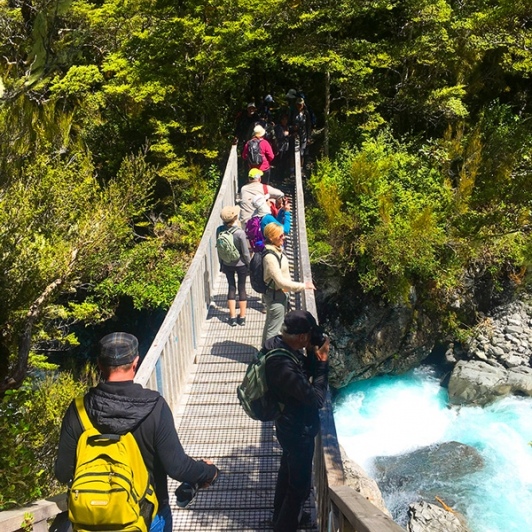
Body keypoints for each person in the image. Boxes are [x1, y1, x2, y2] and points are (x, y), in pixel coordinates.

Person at [55, 333, 219, 532]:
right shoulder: (154, 407)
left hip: (91, 520)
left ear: (99, 364)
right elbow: (178, 467)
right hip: (147, 518)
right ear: (135, 363)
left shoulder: (78, 410)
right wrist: (208, 471)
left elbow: (63, 473)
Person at [264, 310, 330, 532]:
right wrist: (322, 363)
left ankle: (279, 517)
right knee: (299, 488)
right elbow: (317, 399)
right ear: (302, 337)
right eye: (310, 335)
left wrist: (312, 355)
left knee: (287, 471)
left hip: (286, 425)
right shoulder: (282, 364)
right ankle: (284, 526)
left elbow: (303, 374)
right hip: (297, 430)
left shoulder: (277, 345)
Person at [261, 223, 315, 344]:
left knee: (271, 323)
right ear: (271, 237)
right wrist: (303, 286)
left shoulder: (275, 250)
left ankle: (264, 350)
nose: (283, 237)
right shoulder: (270, 257)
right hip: (276, 296)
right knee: (274, 329)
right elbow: (280, 281)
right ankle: (269, 356)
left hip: (275, 294)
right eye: (280, 236)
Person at [216, 205, 251, 326]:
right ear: (235, 217)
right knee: (242, 288)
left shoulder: (219, 230)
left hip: (227, 263)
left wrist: (221, 264)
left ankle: (232, 317)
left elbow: (219, 250)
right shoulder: (240, 233)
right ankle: (242, 317)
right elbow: (246, 253)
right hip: (241, 264)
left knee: (231, 287)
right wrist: (249, 265)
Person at [289, 97, 313, 174]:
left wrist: (309, 137)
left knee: (302, 152)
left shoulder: (306, 113)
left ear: (303, 104)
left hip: (303, 135)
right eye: (298, 104)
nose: (299, 106)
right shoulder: (292, 112)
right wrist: (292, 128)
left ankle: (300, 168)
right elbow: (288, 124)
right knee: (293, 151)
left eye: (301, 104)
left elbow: (309, 125)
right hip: (294, 134)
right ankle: (292, 169)